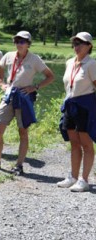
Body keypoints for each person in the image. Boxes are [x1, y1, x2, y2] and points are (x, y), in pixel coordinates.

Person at [0, 30, 54, 175]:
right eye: (17, 41)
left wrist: (35, 87)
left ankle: (19, 165)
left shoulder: (34, 59)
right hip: (9, 95)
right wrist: (1, 83)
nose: (19, 44)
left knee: (23, 132)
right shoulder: (9, 56)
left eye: (22, 41)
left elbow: (50, 76)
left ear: (28, 44)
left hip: (24, 97)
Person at [57, 32, 96, 192]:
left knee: (86, 144)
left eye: (81, 43)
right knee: (74, 143)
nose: (77, 46)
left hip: (85, 106)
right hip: (70, 105)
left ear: (89, 46)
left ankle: (84, 179)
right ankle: (72, 176)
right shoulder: (69, 62)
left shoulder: (92, 64)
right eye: (75, 43)